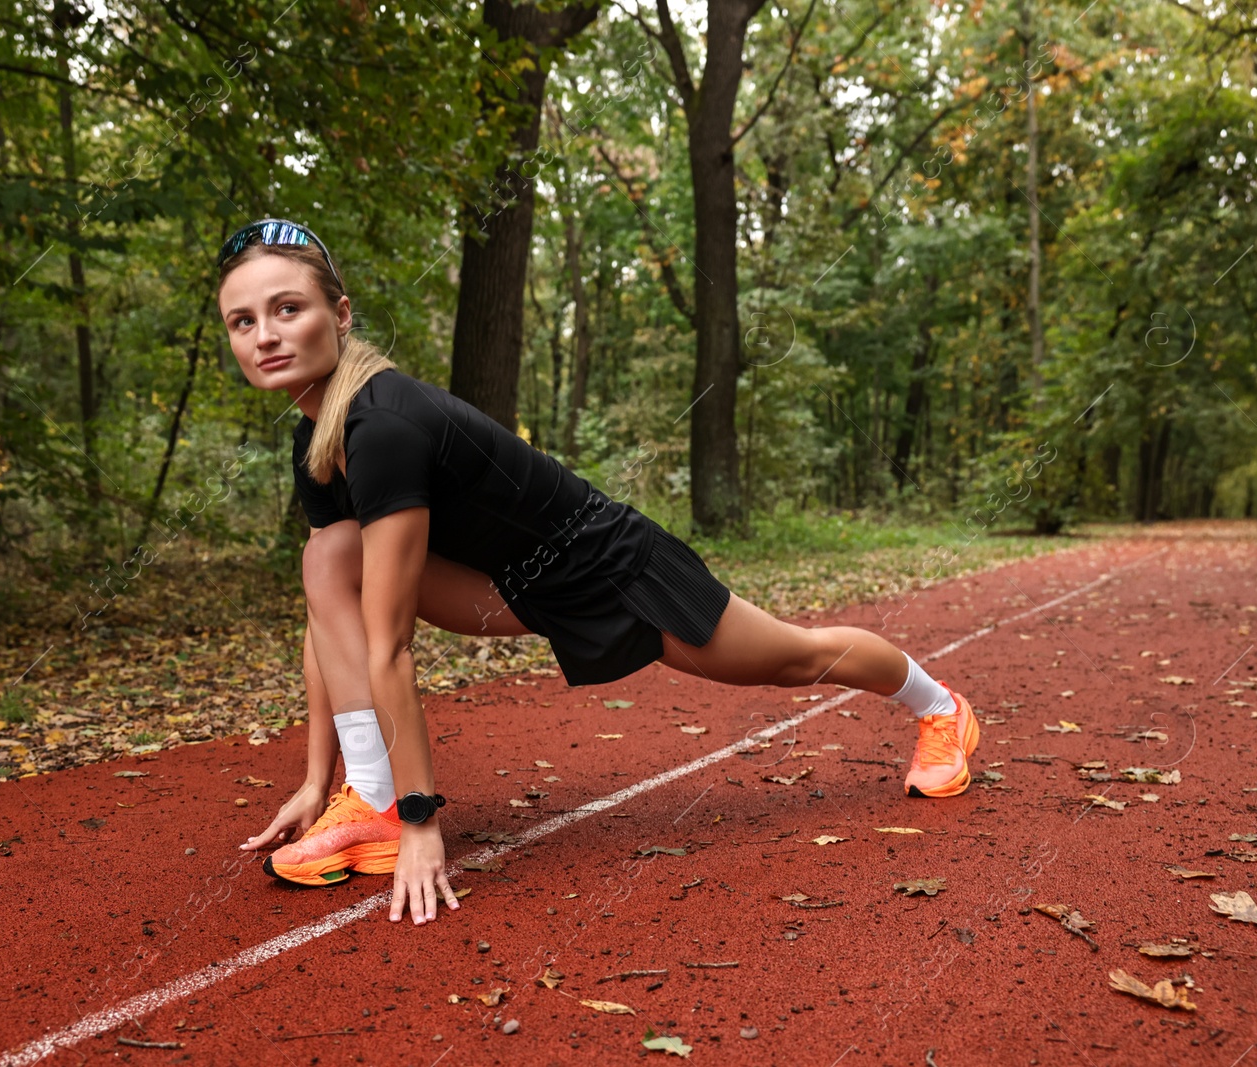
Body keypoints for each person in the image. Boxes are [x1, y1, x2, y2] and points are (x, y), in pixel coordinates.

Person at [216, 218, 980, 926]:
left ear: (340, 315)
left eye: (288, 309)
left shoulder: (381, 426)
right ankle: (367, 801)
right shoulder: (318, 441)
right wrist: (318, 782)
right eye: (243, 322)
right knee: (329, 556)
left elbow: (387, 646)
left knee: (792, 658)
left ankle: (940, 705)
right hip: (512, 586)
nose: (265, 336)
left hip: (610, 564)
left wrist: (425, 819)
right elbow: (331, 612)